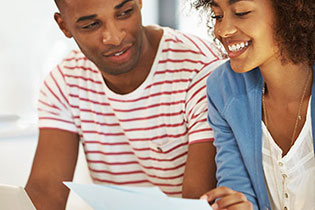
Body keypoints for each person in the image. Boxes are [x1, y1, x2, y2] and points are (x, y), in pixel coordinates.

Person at [25, 0, 224, 209]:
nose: (114, 37)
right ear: (64, 25)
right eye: (91, 25)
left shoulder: (201, 70)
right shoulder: (65, 80)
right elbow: (46, 190)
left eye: (124, 13)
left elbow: (198, 201)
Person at [192, 0, 315, 209]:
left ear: (290, 12)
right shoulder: (223, 88)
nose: (223, 30)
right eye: (217, 15)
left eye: (241, 12)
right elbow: (236, 188)